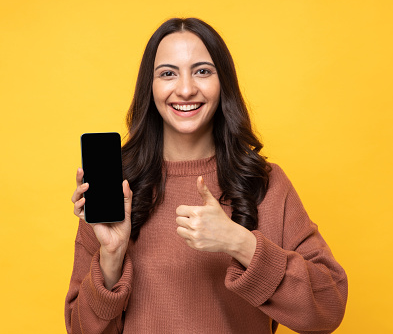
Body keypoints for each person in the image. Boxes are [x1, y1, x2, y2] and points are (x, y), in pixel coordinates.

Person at [65, 18, 348, 334]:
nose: (185, 89)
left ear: (222, 82)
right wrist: (112, 256)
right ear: (150, 86)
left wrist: (239, 242)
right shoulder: (117, 190)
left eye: (202, 71)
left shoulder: (263, 184)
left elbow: (329, 307)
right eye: (168, 74)